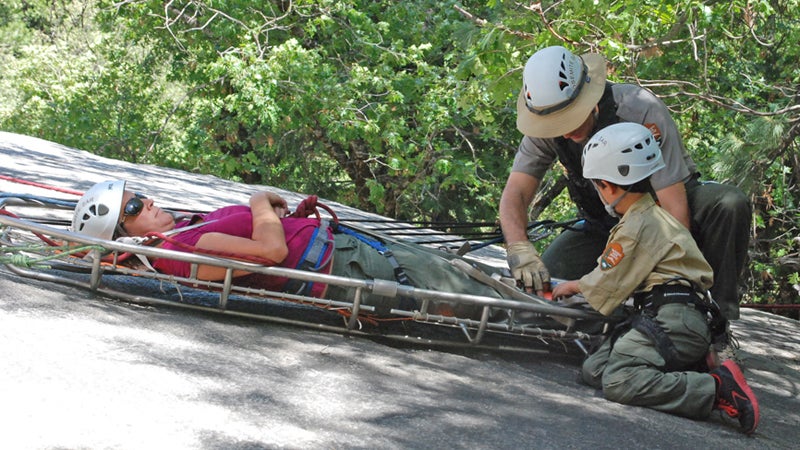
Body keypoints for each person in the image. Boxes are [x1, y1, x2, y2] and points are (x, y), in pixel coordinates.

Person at [500, 45, 751, 324]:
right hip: (604, 225)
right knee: (545, 293)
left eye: (570, 118)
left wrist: (655, 281)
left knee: (729, 204)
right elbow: (517, 192)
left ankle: (712, 320)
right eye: (556, 124)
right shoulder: (545, 123)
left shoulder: (639, 108)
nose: (564, 131)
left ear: (589, 98)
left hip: (663, 213)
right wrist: (519, 248)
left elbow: (675, 214)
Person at [551, 122, 759, 434]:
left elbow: (606, 284)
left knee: (619, 381)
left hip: (675, 320)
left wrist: (567, 286)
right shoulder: (652, 216)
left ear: (607, 185)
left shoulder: (636, 228)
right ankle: (689, 365)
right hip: (671, 317)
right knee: (595, 369)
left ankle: (715, 388)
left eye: (596, 185)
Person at [71, 180, 511, 319]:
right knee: (473, 290)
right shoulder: (182, 250)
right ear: (126, 234)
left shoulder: (186, 226)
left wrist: (283, 215)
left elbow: (269, 238)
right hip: (351, 266)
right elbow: (270, 252)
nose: (146, 200)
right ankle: (550, 311)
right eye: (133, 206)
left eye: (140, 195)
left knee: (464, 271)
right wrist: (260, 202)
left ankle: (548, 296)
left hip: (348, 248)